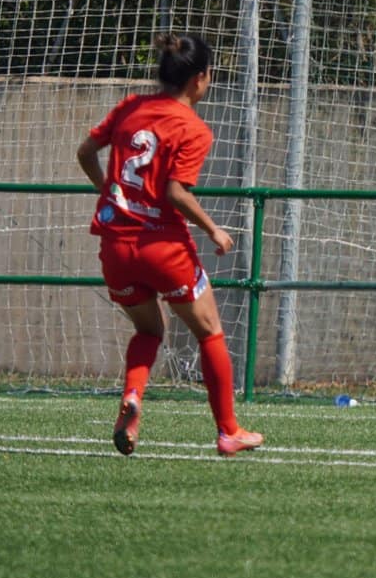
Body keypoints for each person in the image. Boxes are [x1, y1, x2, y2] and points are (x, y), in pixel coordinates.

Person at [76, 32, 264, 457]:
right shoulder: (193, 128)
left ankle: (133, 397)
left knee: (148, 329)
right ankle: (229, 430)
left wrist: (109, 192)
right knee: (210, 331)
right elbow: (176, 192)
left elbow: (86, 152)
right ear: (200, 78)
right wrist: (214, 229)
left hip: (116, 246)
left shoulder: (131, 107)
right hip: (164, 248)